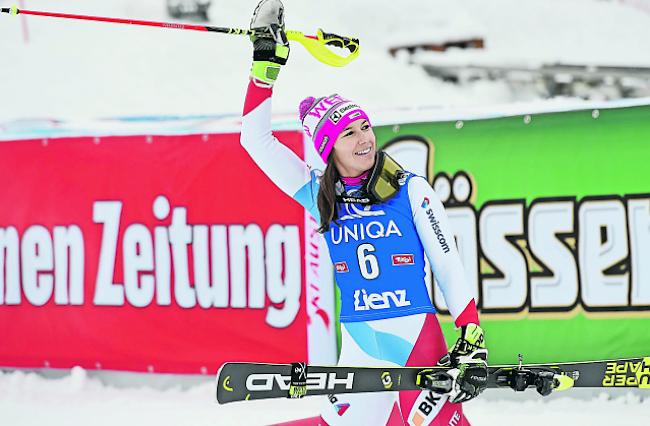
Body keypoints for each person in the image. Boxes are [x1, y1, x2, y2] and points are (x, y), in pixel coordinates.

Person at [240, 1, 487, 424]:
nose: (363, 139)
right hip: (360, 342)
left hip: (416, 340)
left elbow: (447, 264)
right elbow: (255, 140)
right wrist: (265, 66)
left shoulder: (411, 189)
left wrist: (470, 334)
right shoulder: (320, 196)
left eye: (365, 127)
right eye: (348, 133)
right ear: (328, 149)